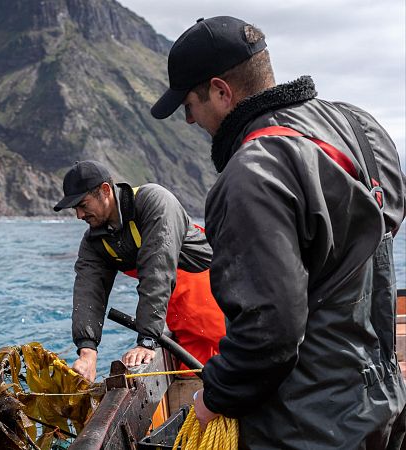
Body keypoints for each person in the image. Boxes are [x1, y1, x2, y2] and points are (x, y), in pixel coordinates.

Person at [151, 16, 406, 448]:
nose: (190, 121)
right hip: (381, 399)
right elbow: (387, 218)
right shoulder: (358, 127)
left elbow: (270, 332)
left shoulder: (250, 174)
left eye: (189, 105)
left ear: (220, 91)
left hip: (306, 424)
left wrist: (213, 395)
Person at [53, 160, 225, 382]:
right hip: (178, 315)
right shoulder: (94, 240)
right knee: (191, 376)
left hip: (219, 302)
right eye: (74, 208)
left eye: (83, 205)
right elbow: (88, 290)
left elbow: (158, 270)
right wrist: (87, 352)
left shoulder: (155, 201)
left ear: (105, 191)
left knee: (229, 371)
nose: (78, 215)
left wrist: (146, 340)